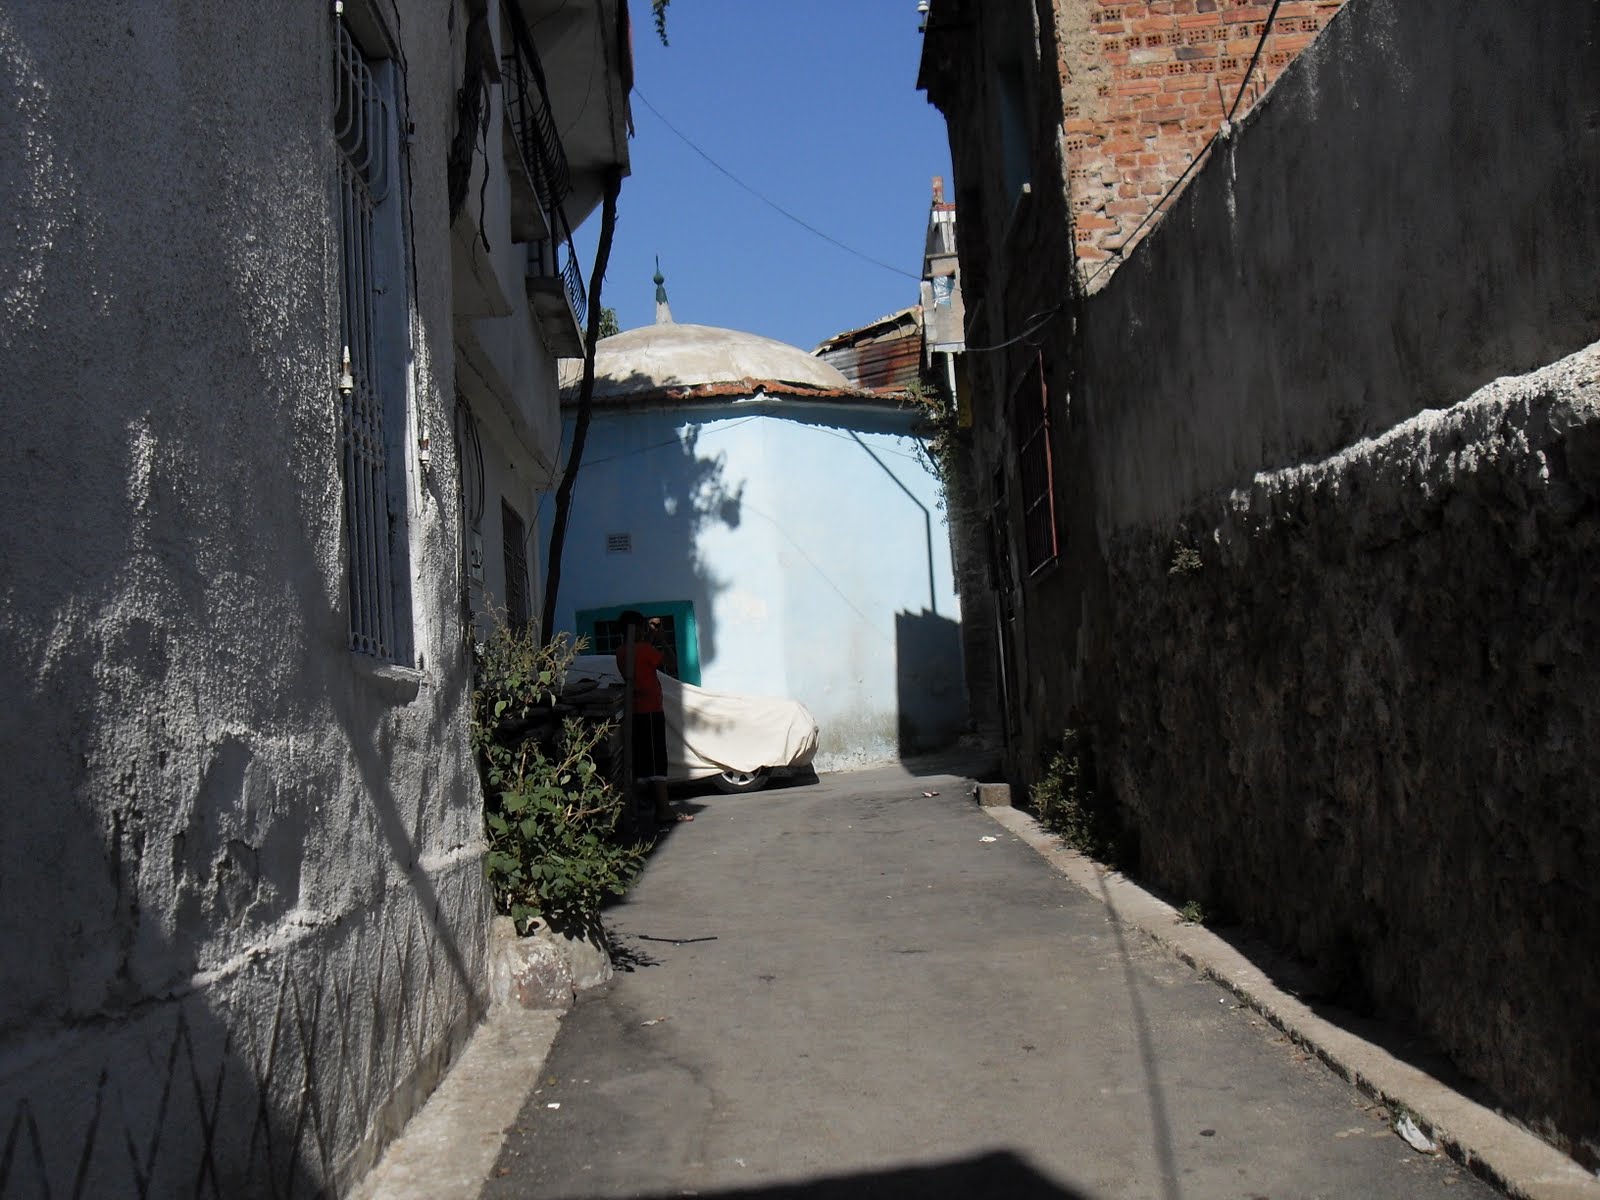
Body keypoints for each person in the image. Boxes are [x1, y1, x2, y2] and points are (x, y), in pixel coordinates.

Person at [615, 611, 691, 825]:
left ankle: (641, 809)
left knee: (643, 761)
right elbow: (672, 662)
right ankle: (664, 810)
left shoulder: (622, 651)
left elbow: (640, 656)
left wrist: (649, 638)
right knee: (657, 762)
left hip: (635, 711)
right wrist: (662, 641)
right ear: (638, 629)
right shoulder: (645, 650)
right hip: (650, 711)